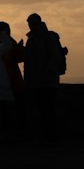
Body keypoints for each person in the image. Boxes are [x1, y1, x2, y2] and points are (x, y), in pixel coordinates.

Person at [16, 13, 67, 141]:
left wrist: (46, 74)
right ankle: (46, 138)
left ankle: (51, 139)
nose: (30, 25)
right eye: (29, 23)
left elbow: (53, 58)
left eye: (32, 23)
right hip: (36, 82)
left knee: (48, 111)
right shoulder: (33, 38)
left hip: (46, 82)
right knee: (43, 112)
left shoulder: (47, 38)